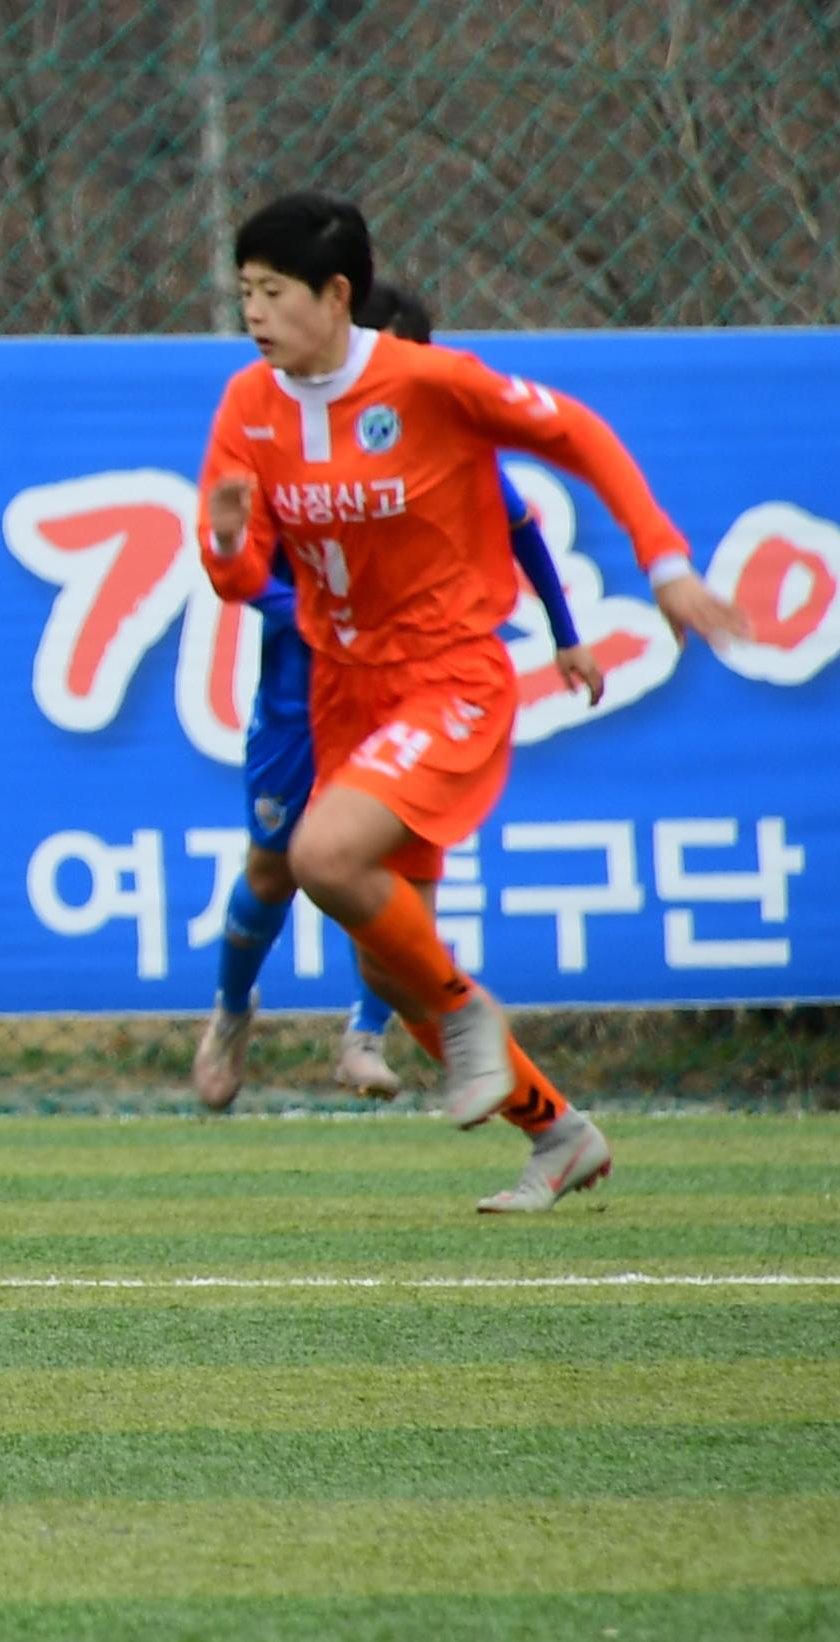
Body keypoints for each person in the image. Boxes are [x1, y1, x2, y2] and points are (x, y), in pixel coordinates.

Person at [196, 192, 744, 1211]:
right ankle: (561, 1134)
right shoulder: (248, 406)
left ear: (336, 293)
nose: (255, 313)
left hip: (449, 674)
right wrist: (229, 539)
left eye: (273, 292)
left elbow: (577, 433)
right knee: (399, 969)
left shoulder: (429, 382)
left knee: (320, 857)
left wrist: (665, 562)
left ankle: (467, 1023)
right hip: (341, 691)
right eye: (245, 293)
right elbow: (236, 578)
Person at [191, 282, 603, 1112]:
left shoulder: (436, 434)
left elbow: (516, 521)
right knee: (275, 869)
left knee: (368, 864)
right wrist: (317, 618)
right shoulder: (277, 430)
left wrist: (565, 631)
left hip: (408, 688)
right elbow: (242, 567)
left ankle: (368, 1034)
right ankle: (232, 1012)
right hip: (301, 688)